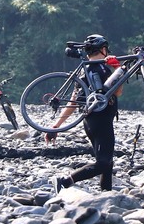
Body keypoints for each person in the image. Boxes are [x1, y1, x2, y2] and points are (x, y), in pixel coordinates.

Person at [50, 34, 123, 193]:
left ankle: (106, 193)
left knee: (106, 162)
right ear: (104, 49)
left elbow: (73, 102)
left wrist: (56, 126)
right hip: (101, 121)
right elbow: (117, 92)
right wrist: (118, 69)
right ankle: (65, 180)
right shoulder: (102, 69)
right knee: (104, 162)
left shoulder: (86, 71)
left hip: (91, 122)